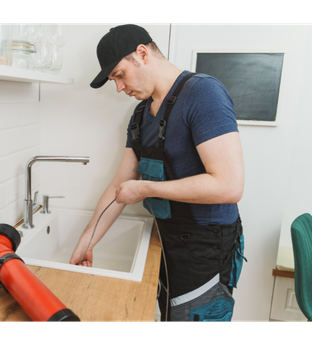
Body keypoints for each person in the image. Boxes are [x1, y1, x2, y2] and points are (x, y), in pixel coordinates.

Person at [69, 24, 246, 323]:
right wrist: (87, 242)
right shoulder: (140, 115)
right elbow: (119, 185)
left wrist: (146, 189)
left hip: (207, 248)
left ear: (142, 54)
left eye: (120, 75)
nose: (119, 88)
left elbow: (229, 185)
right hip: (166, 240)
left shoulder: (203, 93)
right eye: (114, 80)